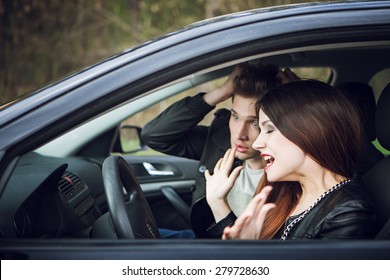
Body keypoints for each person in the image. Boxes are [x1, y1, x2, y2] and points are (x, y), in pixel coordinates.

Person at [206, 80, 376, 240]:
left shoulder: (348, 214)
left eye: (269, 129)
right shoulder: (285, 190)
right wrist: (217, 202)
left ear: (310, 131)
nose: (257, 144)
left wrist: (248, 251)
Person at [141, 64, 297, 238]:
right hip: (203, 239)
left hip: (232, 254)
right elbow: (154, 135)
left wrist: (299, 101)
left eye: (254, 122)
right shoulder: (220, 141)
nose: (239, 134)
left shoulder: (292, 171)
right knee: (133, 237)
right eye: (235, 116)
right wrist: (221, 91)